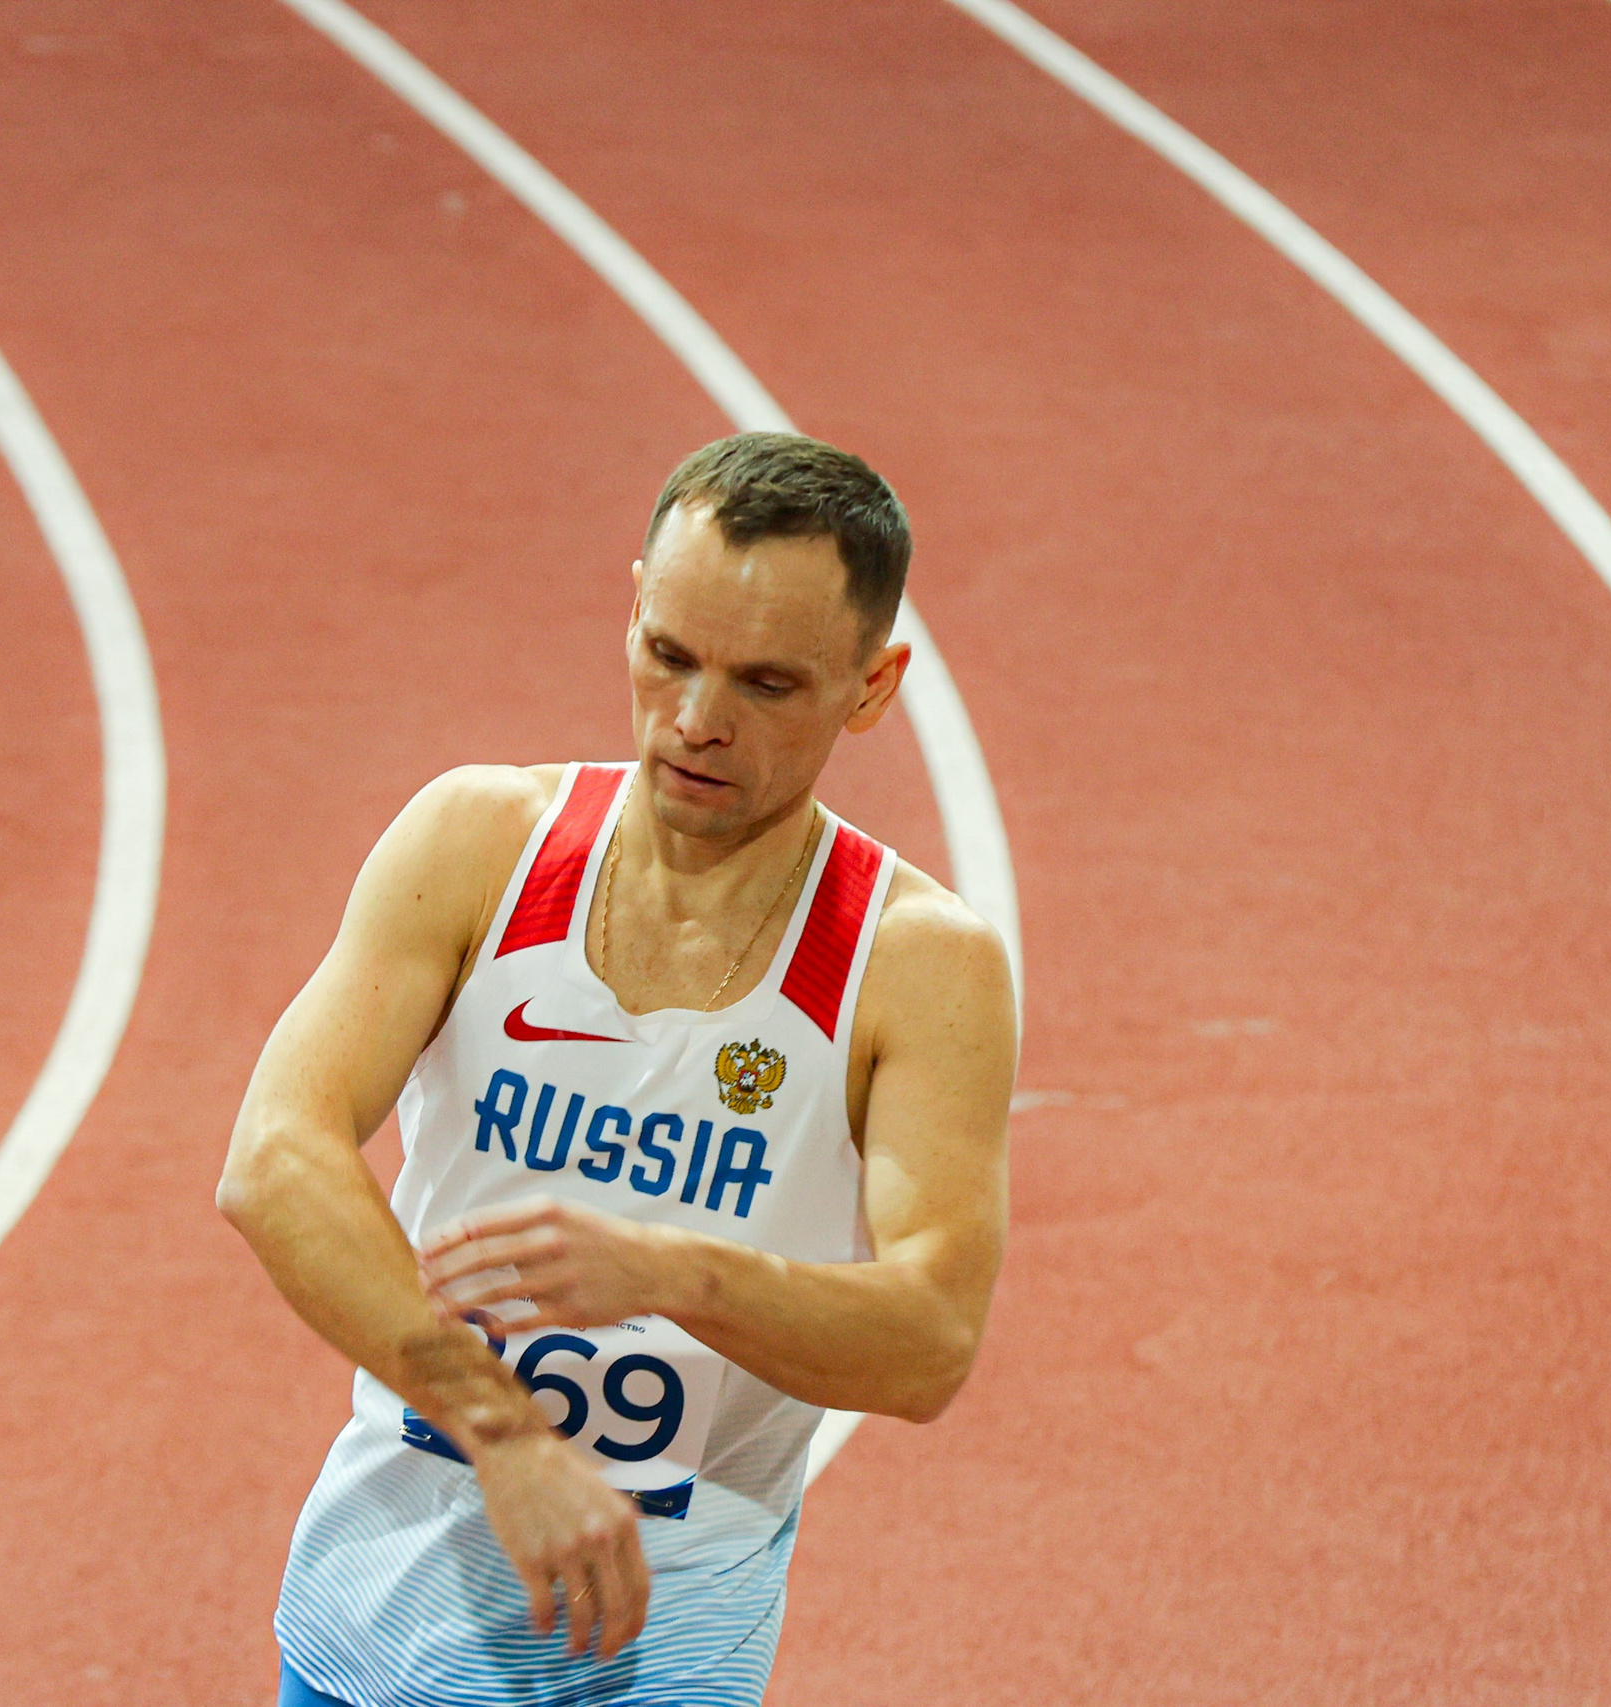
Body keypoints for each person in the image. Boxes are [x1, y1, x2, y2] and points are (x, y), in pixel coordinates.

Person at [217, 431, 1017, 1707]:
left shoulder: (914, 965)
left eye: (765, 683)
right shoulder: (481, 842)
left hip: (657, 1659)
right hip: (370, 1630)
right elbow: (273, 1159)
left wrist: (671, 1272)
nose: (697, 722)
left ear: (872, 688)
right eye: (668, 655)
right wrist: (500, 1433)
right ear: (631, 606)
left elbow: (928, 1342)